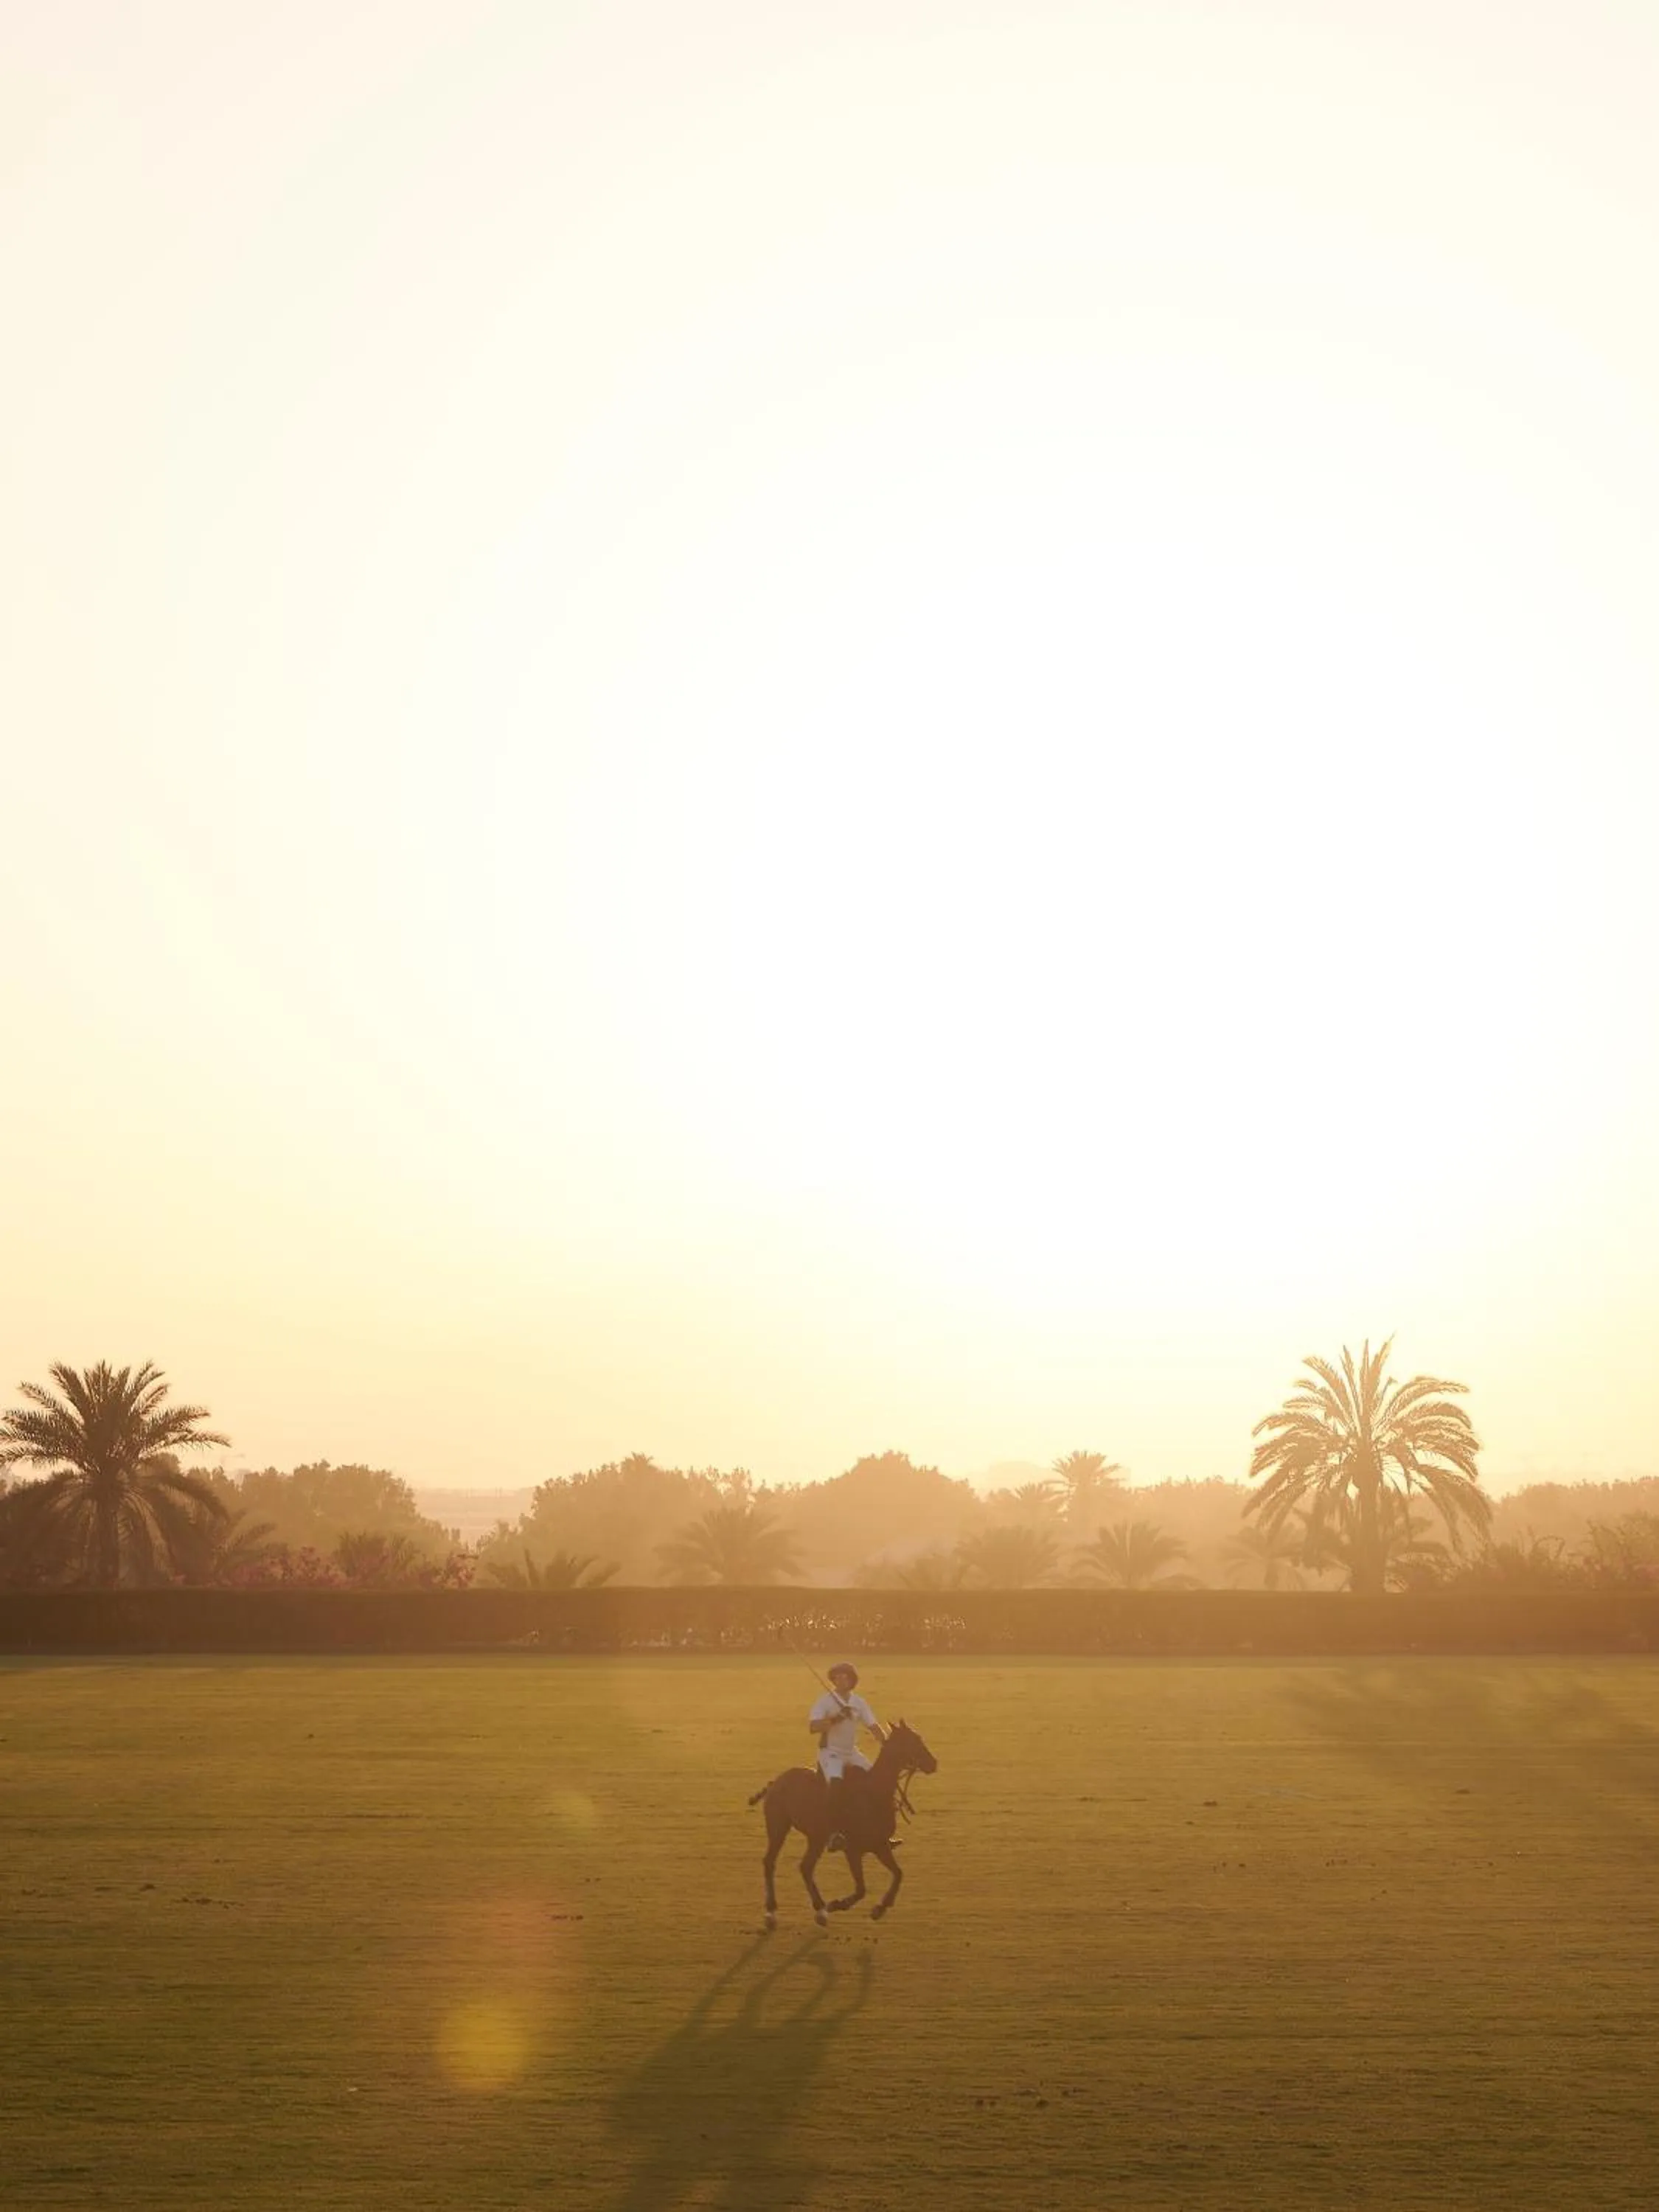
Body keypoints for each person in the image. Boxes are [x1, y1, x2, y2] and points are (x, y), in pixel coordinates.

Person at [809, 1662, 884, 1849]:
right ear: (833, 1680)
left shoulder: (858, 1703)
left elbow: (873, 1726)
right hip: (830, 1752)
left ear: (852, 1680)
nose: (841, 1680)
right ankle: (834, 1833)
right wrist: (836, 1718)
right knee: (836, 1782)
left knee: (875, 1781)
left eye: (845, 1677)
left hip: (851, 1752)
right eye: (837, 1677)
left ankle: (878, 1830)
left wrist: (886, 1743)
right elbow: (813, 1727)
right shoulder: (825, 1701)